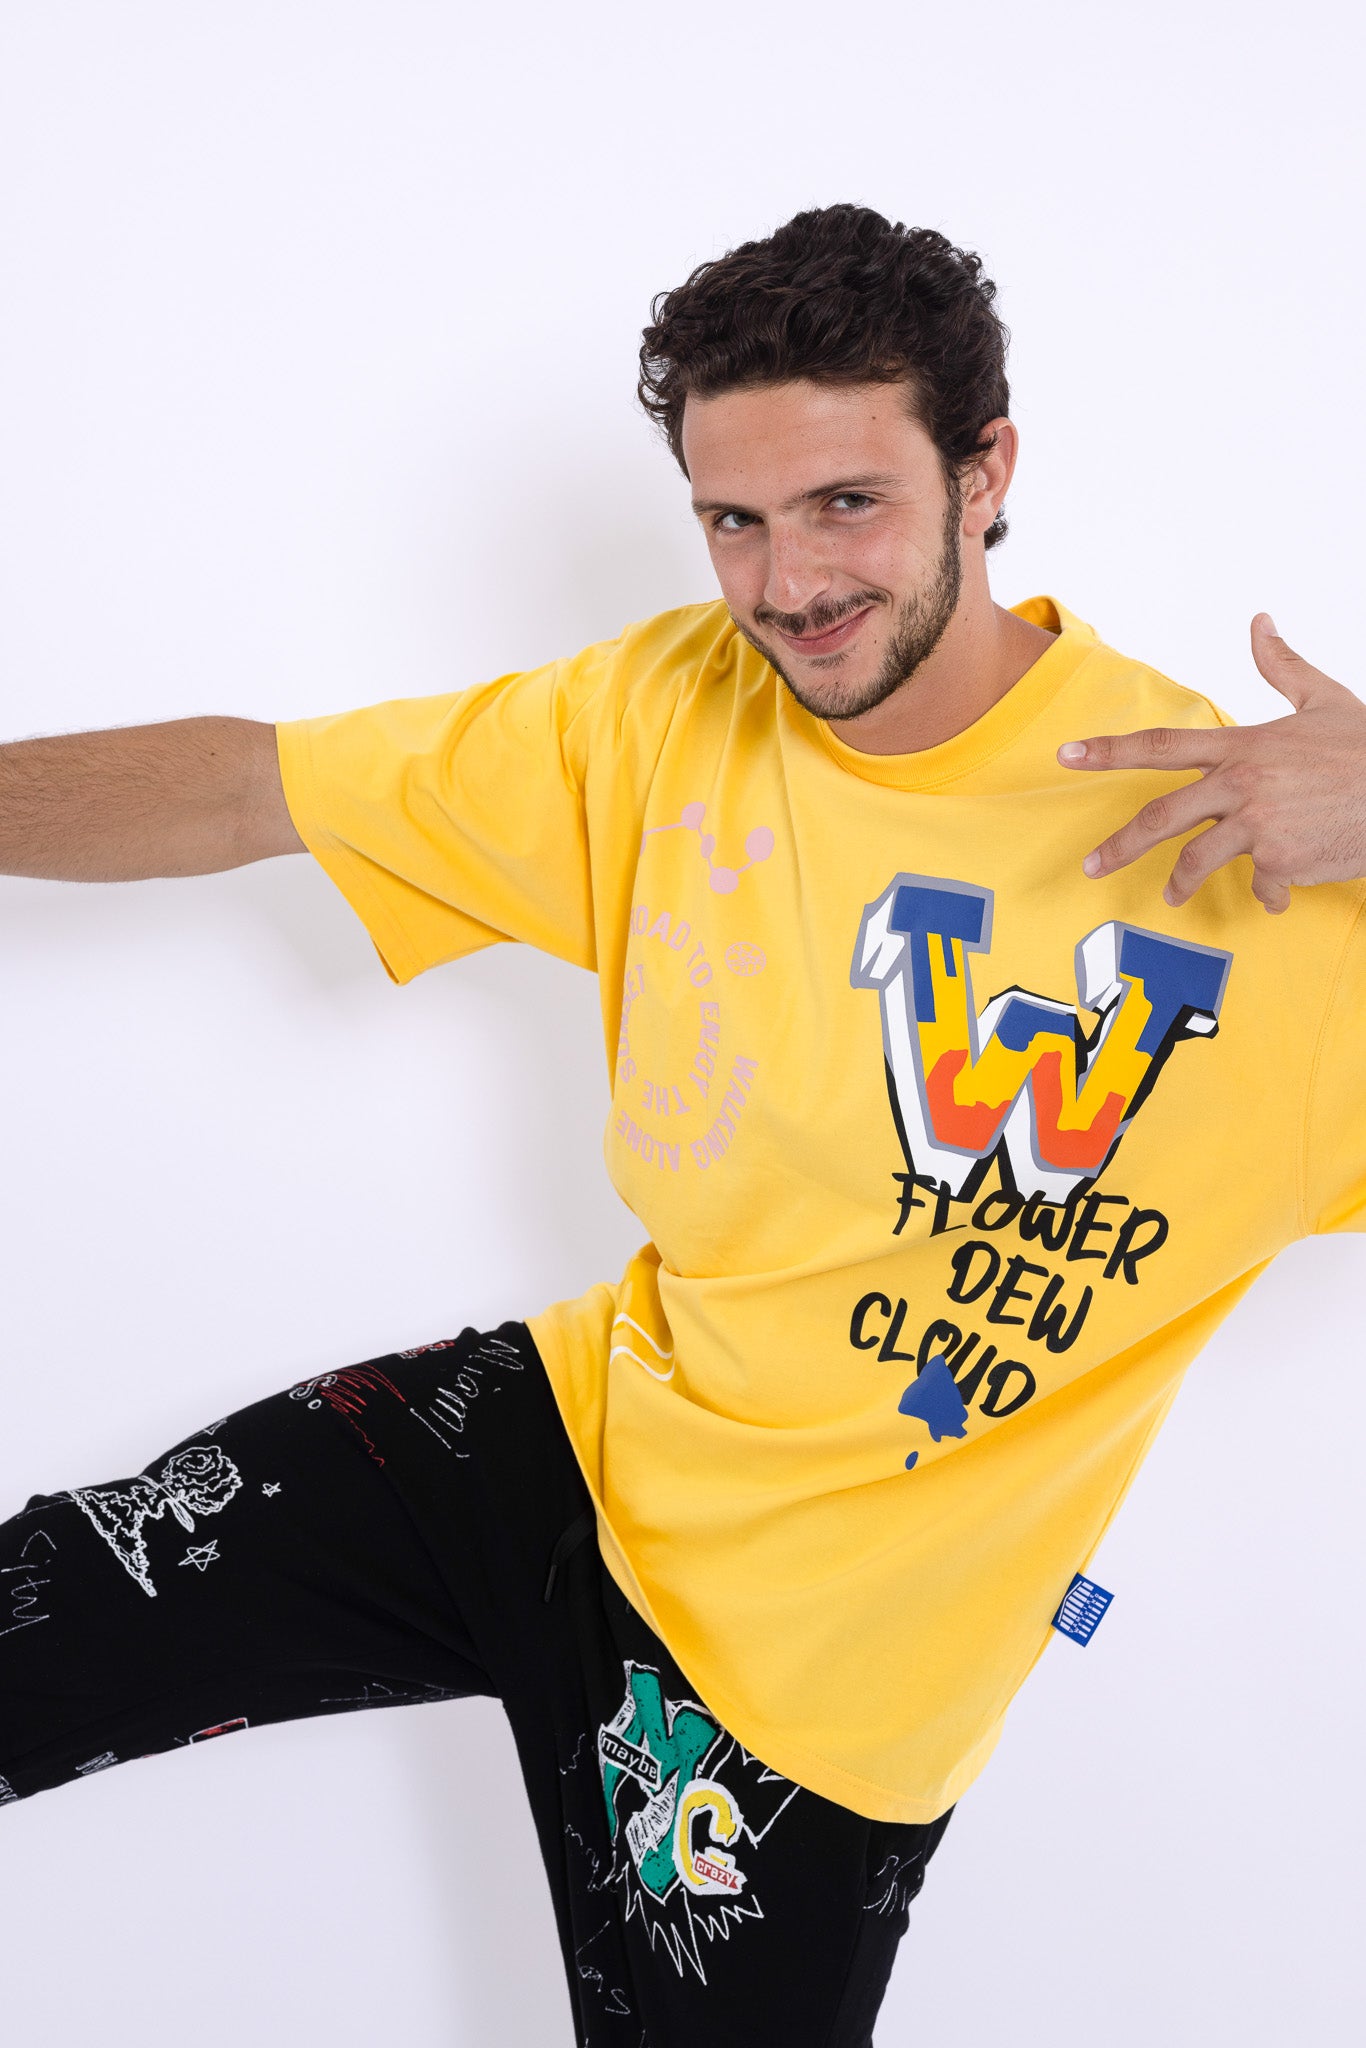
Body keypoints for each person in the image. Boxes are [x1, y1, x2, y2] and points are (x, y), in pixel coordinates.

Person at [3, 202, 1365, 2046]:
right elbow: (255, 786)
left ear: (985, 473)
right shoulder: (661, 712)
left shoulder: (1261, 879)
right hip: (564, 1444)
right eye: (733, 518)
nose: (785, 585)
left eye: (845, 505)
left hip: (806, 1708)